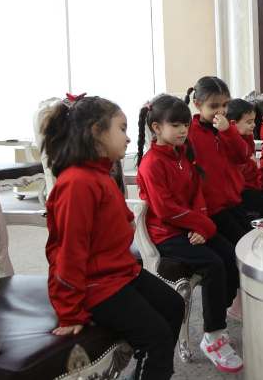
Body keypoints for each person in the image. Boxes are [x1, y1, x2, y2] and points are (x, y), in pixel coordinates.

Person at [42, 93, 184, 380]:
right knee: (156, 337)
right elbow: (69, 253)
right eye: (122, 128)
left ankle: (151, 370)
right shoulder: (77, 183)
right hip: (96, 285)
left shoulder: (99, 175)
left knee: (174, 305)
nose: (128, 138)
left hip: (119, 272)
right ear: (96, 132)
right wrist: (69, 312)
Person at [135, 94, 243, 373]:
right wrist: (202, 225)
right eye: (176, 125)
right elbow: (165, 209)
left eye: (185, 124)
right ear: (156, 128)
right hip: (167, 235)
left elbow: (197, 192)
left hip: (193, 226)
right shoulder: (151, 163)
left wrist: (202, 225)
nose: (183, 130)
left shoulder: (182, 153)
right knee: (213, 264)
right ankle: (213, 335)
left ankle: (219, 313)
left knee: (231, 254)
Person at [184, 77, 250, 245]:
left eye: (225, 105)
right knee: (240, 246)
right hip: (211, 208)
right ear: (197, 104)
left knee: (252, 240)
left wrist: (228, 131)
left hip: (234, 201)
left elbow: (243, 156)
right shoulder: (189, 133)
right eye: (214, 106)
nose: (220, 111)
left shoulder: (228, 128)